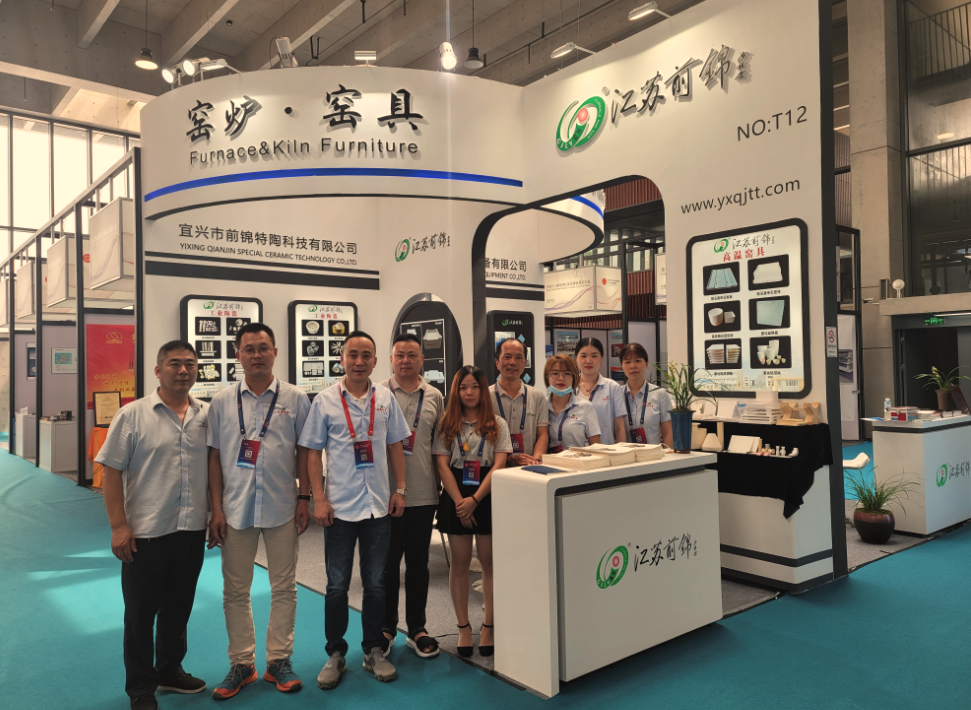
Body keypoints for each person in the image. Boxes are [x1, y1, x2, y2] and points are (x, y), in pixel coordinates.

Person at [97, 341, 209, 710]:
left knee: (179, 608)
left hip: (191, 529)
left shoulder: (206, 415)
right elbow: (111, 472)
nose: (183, 370)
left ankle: (169, 671)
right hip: (145, 533)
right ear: (158, 370)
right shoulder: (132, 415)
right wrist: (118, 526)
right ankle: (141, 687)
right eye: (175, 364)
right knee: (140, 616)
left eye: (190, 364)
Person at [298, 331, 410, 688]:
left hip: (378, 507)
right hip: (339, 509)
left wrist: (400, 489)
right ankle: (335, 653)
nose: (359, 362)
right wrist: (318, 498)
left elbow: (395, 445)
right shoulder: (325, 401)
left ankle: (374, 649)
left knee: (376, 584)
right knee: (336, 586)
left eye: (366, 355)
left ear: (375, 361)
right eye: (353, 355)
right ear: (341, 359)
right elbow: (312, 452)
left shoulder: (386, 398)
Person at [207, 323, 311, 700]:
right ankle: (242, 664)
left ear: (275, 352)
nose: (256, 355)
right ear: (238, 354)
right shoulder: (222, 401)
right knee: (235, 589)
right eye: (249, 349)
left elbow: (305, 452)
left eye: (263, 348)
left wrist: (305, 497)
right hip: (235, 508)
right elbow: (214, 457)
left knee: (284, 586)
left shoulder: (296, 398)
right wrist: (216, 509)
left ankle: (279, 660)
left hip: (283, 505)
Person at [433, 366, 512, 658]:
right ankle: (463, 627)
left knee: (490, 564)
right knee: (460, 564)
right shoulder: (447, 423)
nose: (469, 392)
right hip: (456, 494)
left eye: (475, 387)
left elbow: (499, 464)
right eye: (463, 387)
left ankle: (488, 625)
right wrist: (460, 502)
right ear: (457, 391)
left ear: (483, 390)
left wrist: (475, 500)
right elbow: (442, 465)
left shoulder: (497, 423)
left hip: (487, 493)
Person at [378, 333, 445, 659]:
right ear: (391, 359)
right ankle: (386, 628)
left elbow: (440, 446)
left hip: (422, 494)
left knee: (419, 565)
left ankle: (417, 628)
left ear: (422, 360)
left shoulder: (435, 396)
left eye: (412, 355)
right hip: (384, 494)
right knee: (387, 566)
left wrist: (441, 490)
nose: (405, 360)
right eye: (400, 355)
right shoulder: (378, 393)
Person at [493, 338, 548, 465]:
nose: (513, 362)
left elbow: (542, 434)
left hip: (529, 469)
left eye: (518, 357)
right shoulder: (485, 396)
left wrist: (534, 461)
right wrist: (507, 460)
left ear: (525, 363)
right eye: (507, 357)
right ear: (497, 363)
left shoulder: (537, 396)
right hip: (496, 468)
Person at [573, 337, 626, 444]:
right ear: (576, 358)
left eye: (594, 356)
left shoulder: (612, 387)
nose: (588, 361)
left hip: (605, 450)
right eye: (583, 356)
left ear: (601, 358)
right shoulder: (569, 388)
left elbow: (619, 428)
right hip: (575, 450)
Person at [619, 343, 673, 448]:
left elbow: (668, 433)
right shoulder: (617, 395)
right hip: (624, 455)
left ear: (647, 364)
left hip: (653, 455)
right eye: (627, 362)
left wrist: (668, 455)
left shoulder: (660, 394)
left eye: (637, 361)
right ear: (622, 366)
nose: (633, 366)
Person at [544, 355, 601, 451]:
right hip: (545, 460)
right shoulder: (541, 406)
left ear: (574, 377)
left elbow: (596, 447)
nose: (561, 378)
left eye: (567, 373)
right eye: (555, 373)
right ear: (547, 377)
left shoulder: (586, 407)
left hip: (577, 460)